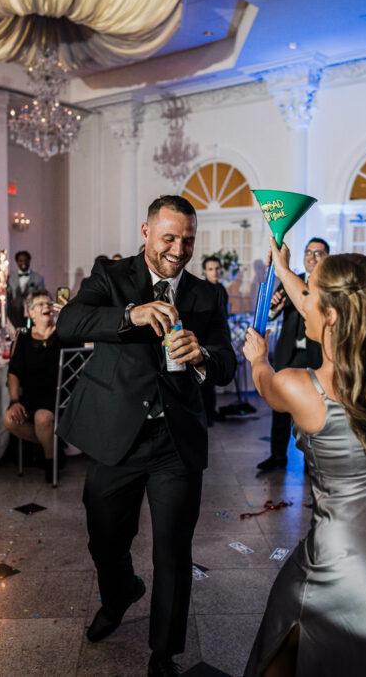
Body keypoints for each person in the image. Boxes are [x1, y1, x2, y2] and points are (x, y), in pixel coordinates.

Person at [56, 195, 236, 677]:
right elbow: (68, 324)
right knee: (104, 537)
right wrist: (128, 316)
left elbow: (226, 363)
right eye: (170, 238)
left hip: (176, 442)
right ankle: (118, 596)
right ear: (146, 231)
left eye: (189, 240)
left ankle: (164, 652)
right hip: (118, 436)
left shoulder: (205, 296)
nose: (179, 250)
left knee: (173, 550)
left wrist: (201, 356)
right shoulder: (111, 277)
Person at [242, 244, 366, 676]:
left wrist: (258, 358)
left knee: (283, 643)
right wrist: (285, 270)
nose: (302, 301)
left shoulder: (299, 386)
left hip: (347, 556)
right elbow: (322, 304)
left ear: (331, 315)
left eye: (310, 294)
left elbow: (264, 381)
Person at [256, 238, 327, 472]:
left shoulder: (329, 287)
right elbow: (272, 314)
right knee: (280, 406)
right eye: (309, 252)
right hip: (289, 353)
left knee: (312, 408)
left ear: (327, 256)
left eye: (318, 253)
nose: (312, 257)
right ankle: (277, 456)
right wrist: (275, 308)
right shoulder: (290, 280)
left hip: (316, 356)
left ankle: (311, 461)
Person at [3, 289, 64, 482]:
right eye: (40, 305)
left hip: (58, 398)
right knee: (9, 419)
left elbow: (88, 344)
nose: (46, 307)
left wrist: (68, 317)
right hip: (31, 397)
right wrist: (14, 400)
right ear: (31, 313)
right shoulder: (23, 338)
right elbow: (14, 372)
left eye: (49, 304)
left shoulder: (63, 334)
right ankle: (54, 444)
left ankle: (50, 461)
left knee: (42, 418)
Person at [201, 255, 229, 425]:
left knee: (213, 379)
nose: (215, 272)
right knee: (205, 379)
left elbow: (223, 316)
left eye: (217, 268)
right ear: (205, 271)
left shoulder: (222, 289)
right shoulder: (202, 289)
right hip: (206, 340)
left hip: (220, 339)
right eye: (211, 269)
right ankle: (206, 414)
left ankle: (211, 411)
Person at [6, 250, 45, 329]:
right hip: (14, 313)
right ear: (17, 262)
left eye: (25, 260)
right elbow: (7, 295)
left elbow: (42, 296)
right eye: (20, 261)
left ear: (29, 261)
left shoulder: (38, 278)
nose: (23, 262)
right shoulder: (11, 278)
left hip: (32, 312)